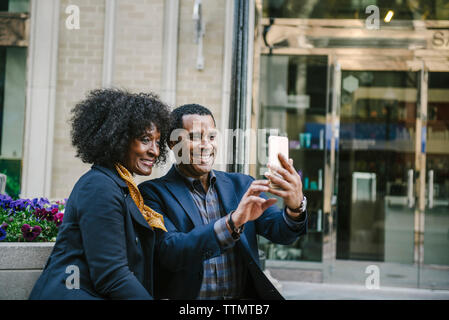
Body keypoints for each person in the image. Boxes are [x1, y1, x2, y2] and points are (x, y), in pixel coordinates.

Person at [139, 104, 307, 300]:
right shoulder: (152, 193)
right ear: (173, 143)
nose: (206, 145)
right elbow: (170, 251)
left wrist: (295, 207)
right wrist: (232, 223)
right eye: (194, 137)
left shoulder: (242, 185)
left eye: (211, 137)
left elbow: (282, 234)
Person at [29, 88, 170, 299]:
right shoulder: (99, 187)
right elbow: (111, 275)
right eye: (145, 139)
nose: (155, 151)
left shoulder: (120, 185)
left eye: (157, 142)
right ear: (118, 138)